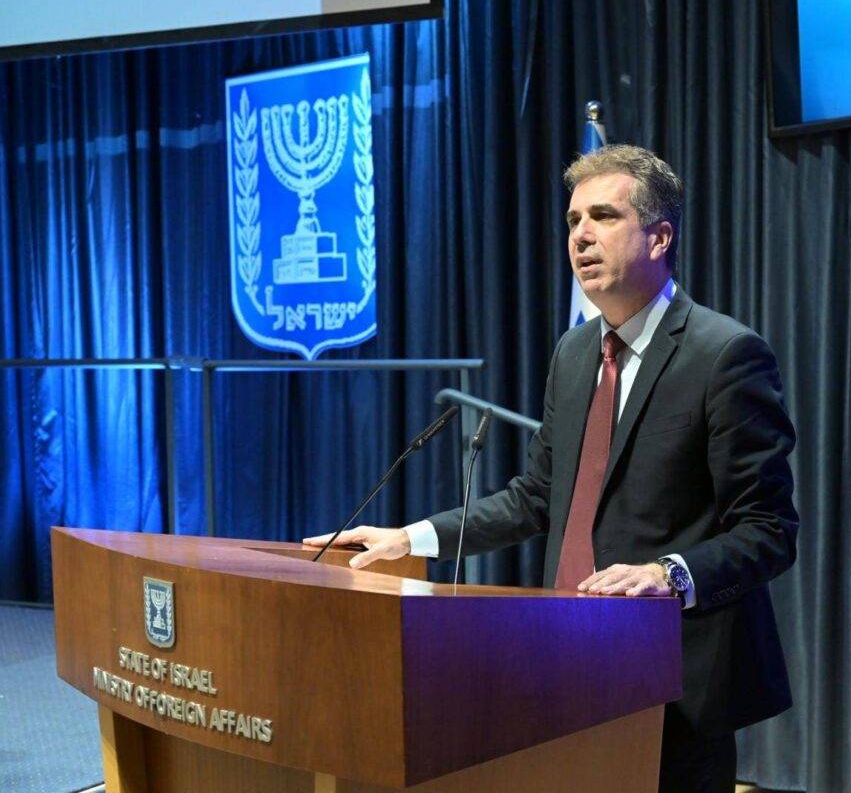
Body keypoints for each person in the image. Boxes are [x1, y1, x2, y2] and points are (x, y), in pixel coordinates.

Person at [305, 144, 798, 792]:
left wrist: (665, 574)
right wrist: (410, 538)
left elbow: (768, 530)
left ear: (660, 237)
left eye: (602, 217)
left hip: (671, 681)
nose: (581, 236)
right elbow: (537, 497)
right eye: (571, 222)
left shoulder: (725, 355)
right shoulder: (573, 352)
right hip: (564, 663)